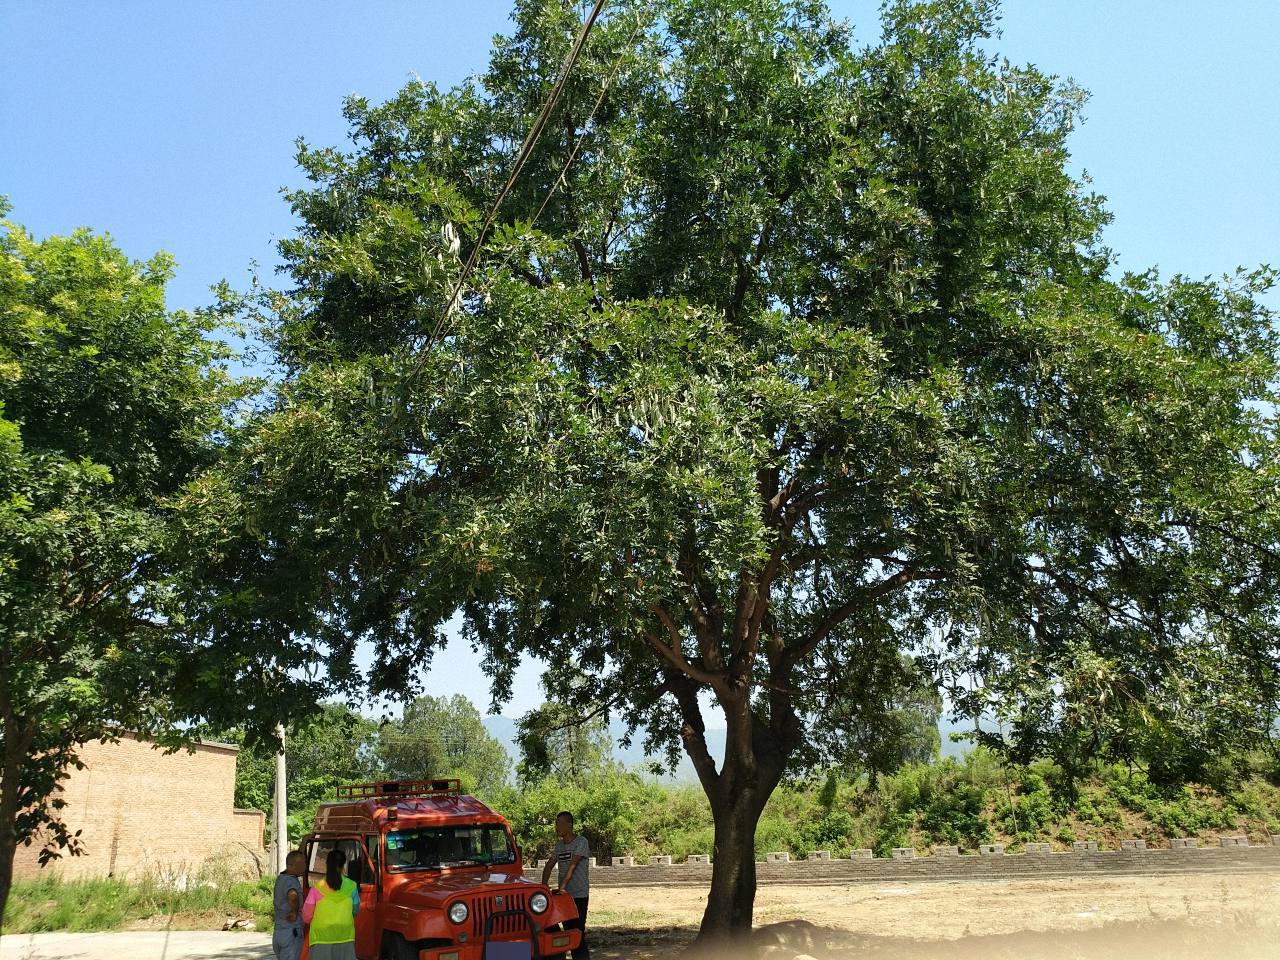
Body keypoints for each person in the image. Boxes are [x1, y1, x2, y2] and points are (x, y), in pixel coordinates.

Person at [541, 811, 590, 960]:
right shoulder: (559, 845)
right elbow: (549, 865)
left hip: (579, 895)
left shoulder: (581, 842)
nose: (557, 827)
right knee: (565, 931)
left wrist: (562, 888)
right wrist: (543, 888)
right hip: (564, 897)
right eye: (556, 823)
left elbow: (572, 866)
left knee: (577, 934)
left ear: (570, 825)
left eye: (560, 823)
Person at [303, 848, 360, 960]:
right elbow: (355, 910)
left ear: (327, 864)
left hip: (321, 937)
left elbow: (306, 916)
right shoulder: (352, 886)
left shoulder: (317, 888)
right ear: (344, 865)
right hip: (345, 936)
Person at [272, 850, 306, 960]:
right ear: (291, 866)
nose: (304, 867)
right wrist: (294, 912)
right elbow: (293, 895)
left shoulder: (281, 878)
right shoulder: (290, 881)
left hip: (279, 931)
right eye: (301, 864)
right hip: (291, 932)